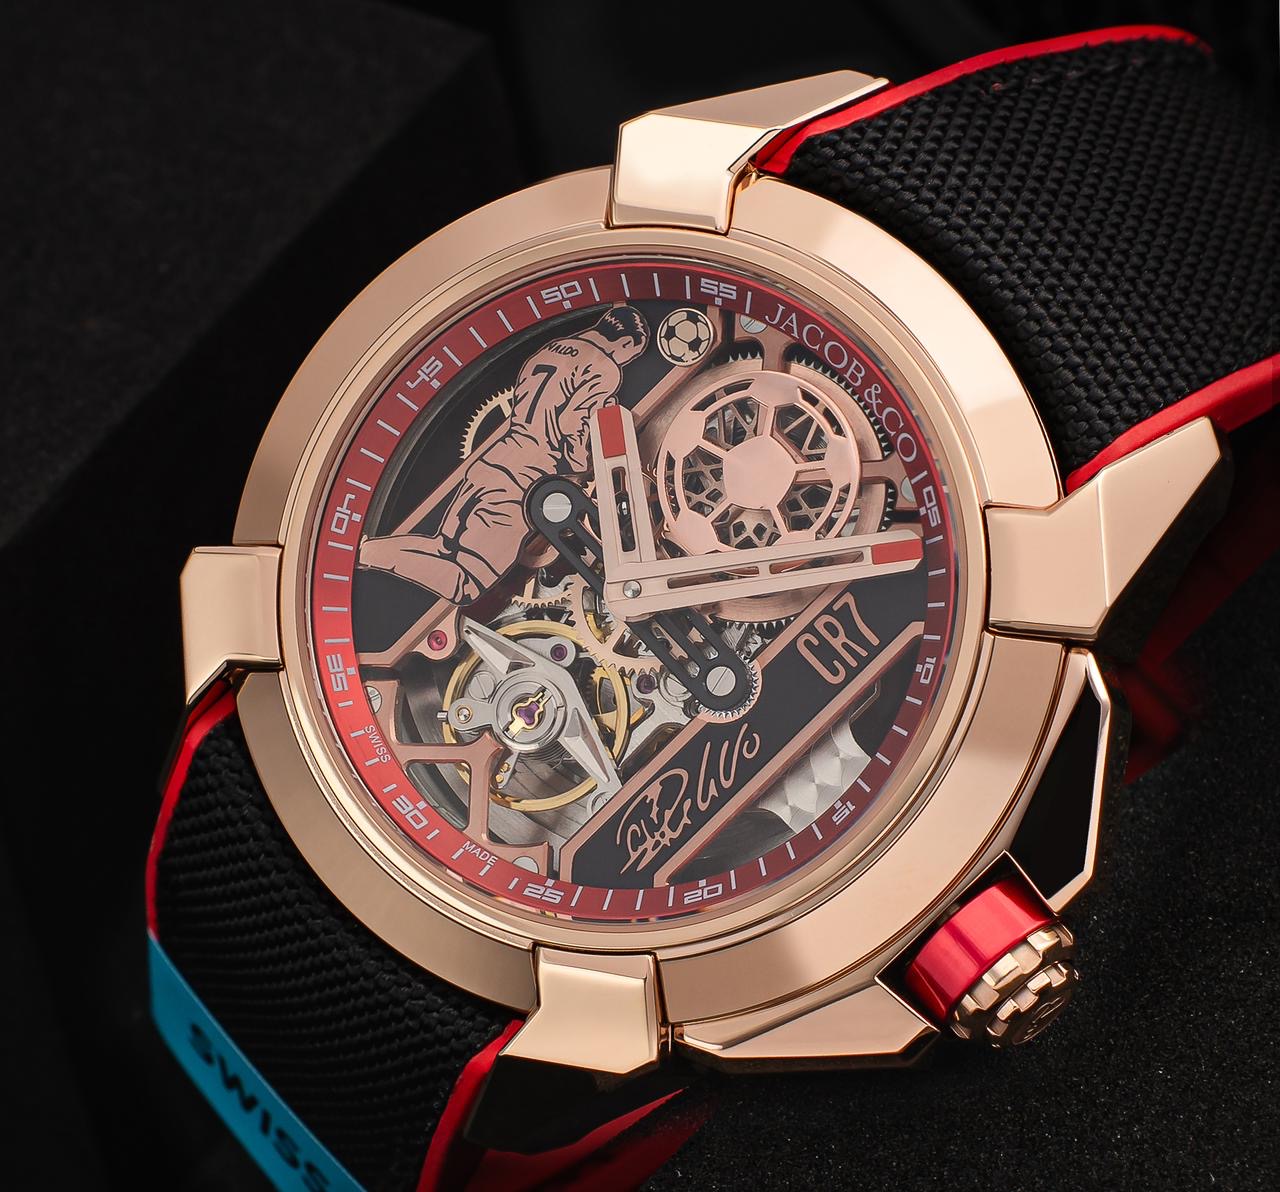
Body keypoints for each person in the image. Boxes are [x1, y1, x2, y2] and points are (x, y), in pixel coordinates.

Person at [359, 305, 649, 603]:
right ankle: (368, 553)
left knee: (443, 547)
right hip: (530, 477)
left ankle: (365, 551)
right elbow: (570, 423)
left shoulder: (550, 350)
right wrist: (582, 460)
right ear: (626, 342)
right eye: (631, 354)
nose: (627, 360)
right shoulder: (603, 367)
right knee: (467, 585)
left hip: (496, 458)